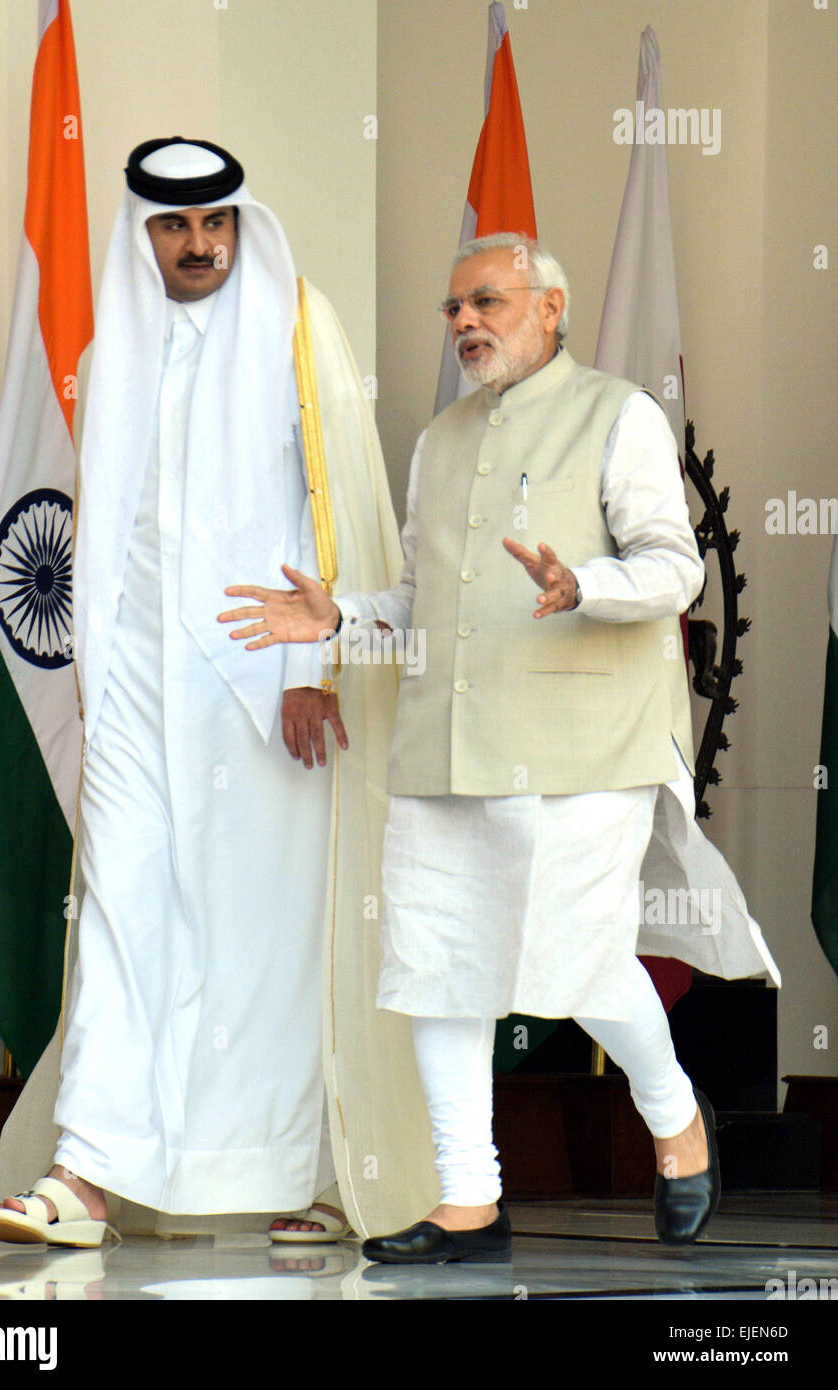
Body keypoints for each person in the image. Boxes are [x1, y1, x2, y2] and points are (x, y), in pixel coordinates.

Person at [218, 233, 780, 1263]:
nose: (465, 321)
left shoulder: (618, 414)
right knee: (439, 967)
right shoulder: (438, 441)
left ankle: (674, 1118)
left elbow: (673, 569)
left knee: (573, 960)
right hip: (447, 745)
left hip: (585, 743)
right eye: (453, 309)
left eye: (487, 300)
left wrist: (584, 587)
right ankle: (468, 1203)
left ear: (550, 308)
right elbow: (423, 606)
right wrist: (334, 620)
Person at [0, 138, 436, 1247]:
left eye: (216, 224)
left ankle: (310, 1168)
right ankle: (85, 1170)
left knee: (271, 940)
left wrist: (310, 669)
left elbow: (328, 508)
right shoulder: (118, 342)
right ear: (144, 234)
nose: (198, 246)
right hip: (134, 686)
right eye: (176, 228)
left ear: (240, 225)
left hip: (260, 685)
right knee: (123, 911)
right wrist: (93, 684)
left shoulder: (294, 324)